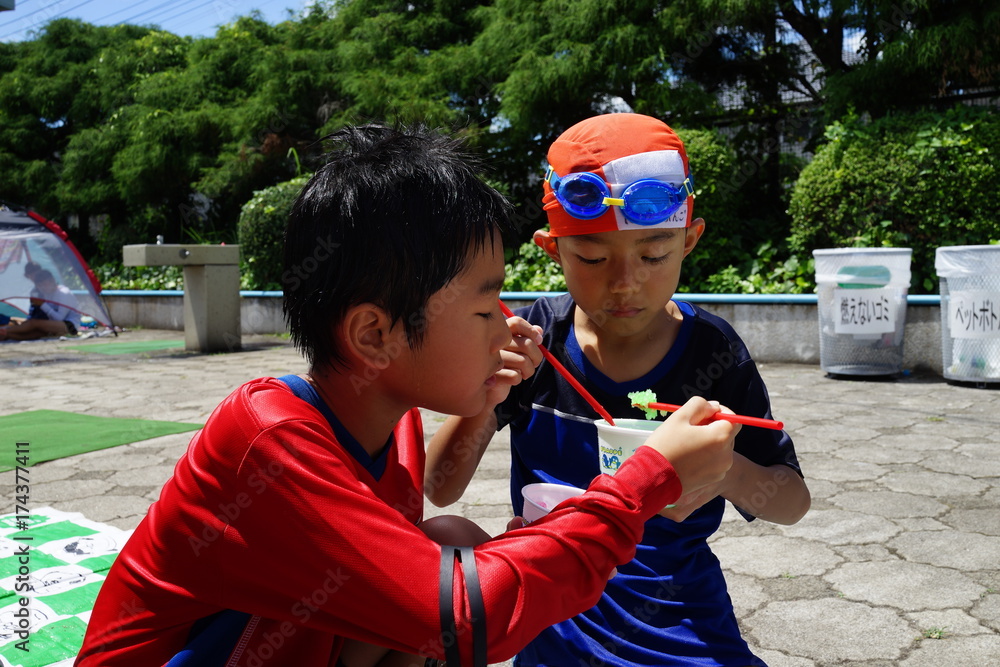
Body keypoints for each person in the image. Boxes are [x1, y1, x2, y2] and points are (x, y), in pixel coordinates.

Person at [74, 123, 740, 667]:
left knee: (447, 539)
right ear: (374, 334)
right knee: (457, 588)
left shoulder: (388, 429)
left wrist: (490, 400)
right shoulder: (267, 439)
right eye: (483, 308)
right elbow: (464, 619)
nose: (508, 325)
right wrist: (647, 478)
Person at [427, 113, 811, 667]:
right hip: (552, 616)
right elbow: (440, 486)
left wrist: (721, 470)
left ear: (689, 242)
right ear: (552, 250)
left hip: (677, 621)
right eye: (592, 257)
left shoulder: (711, 351)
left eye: (653, 255)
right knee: (442, 535)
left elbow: (792, 503)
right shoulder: (538, 342)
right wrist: (488, 393)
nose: (625, 281)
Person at [0, 268, 82, 340]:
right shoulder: (46, 293)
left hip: (71, 326)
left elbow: (60, 318)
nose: (44, 288)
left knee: (34, 323)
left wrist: (42, 305)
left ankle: (5, 330)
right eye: (40, 286)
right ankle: (7, 334)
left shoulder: (64, 293)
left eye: (46, 284)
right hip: (55, 324)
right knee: (36, 333)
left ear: (53, 281)